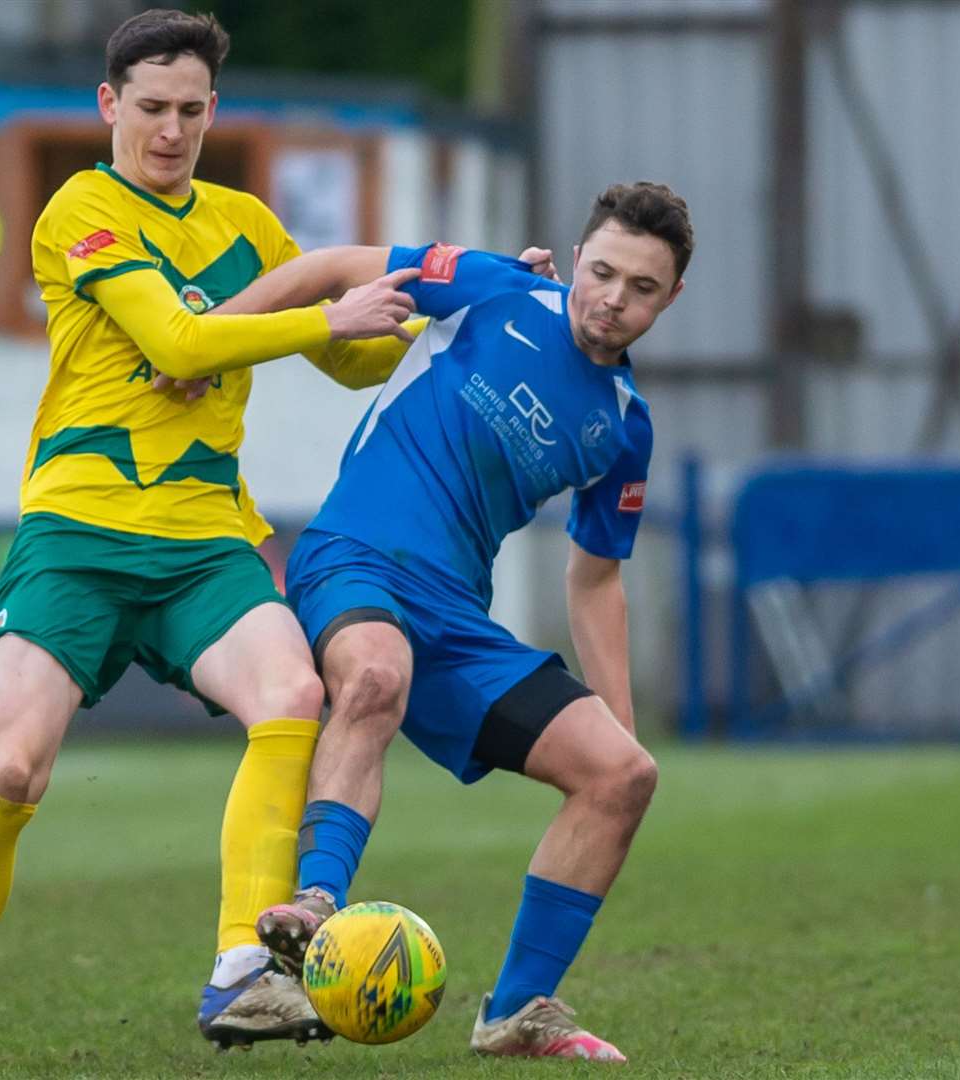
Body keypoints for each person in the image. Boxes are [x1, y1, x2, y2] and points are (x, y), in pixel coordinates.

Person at [0, 9, 426, 1071]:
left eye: (189, 111)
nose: (169, 131)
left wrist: (425, 304)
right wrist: (323, 314)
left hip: (203, 538)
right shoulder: (79, 208)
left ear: (214, 111)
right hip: (76, 532)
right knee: (18, 769)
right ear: (108, 106)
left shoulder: (246, 222)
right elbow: (179, 337)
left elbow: (352, 362)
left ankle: (241, 973)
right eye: (150, 109)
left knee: (293, 696)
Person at [232, 182, 693, 1062]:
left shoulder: (624, 428)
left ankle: (517, 1011)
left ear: (671, 298)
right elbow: (330, 268)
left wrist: (620, 726)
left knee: (622, 776)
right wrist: (209, 344)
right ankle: (314, 914)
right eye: (601, 272)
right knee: (374, 676)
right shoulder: (495, 288)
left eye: (641, 287)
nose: (612, 299)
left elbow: (595, 581)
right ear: (577, 256)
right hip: (352, 557)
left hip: (455, 619)